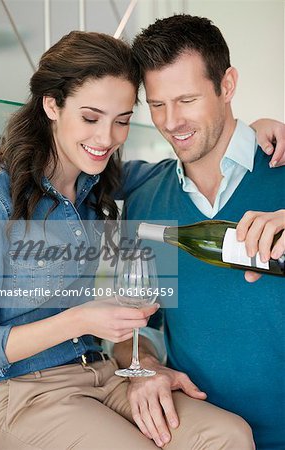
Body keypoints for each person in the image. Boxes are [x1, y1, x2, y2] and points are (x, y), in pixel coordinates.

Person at [0, 29, 283, 450]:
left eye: (122, 121)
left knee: (229, 436)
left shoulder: (109, 185)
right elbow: (123, 319)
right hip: (19, 389)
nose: (106, 138)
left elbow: (203, 153)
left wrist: (255, 133)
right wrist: (95, 329)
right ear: (51, 105)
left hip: (98, 373)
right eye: (91, 118)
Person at [114, 14, 285, 450]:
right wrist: (144, 367)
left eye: (187, 99)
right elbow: (132, 329)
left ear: (227, 85)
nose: (171, 122)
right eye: (156, 104)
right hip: (207, 436)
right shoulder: (146, 201)